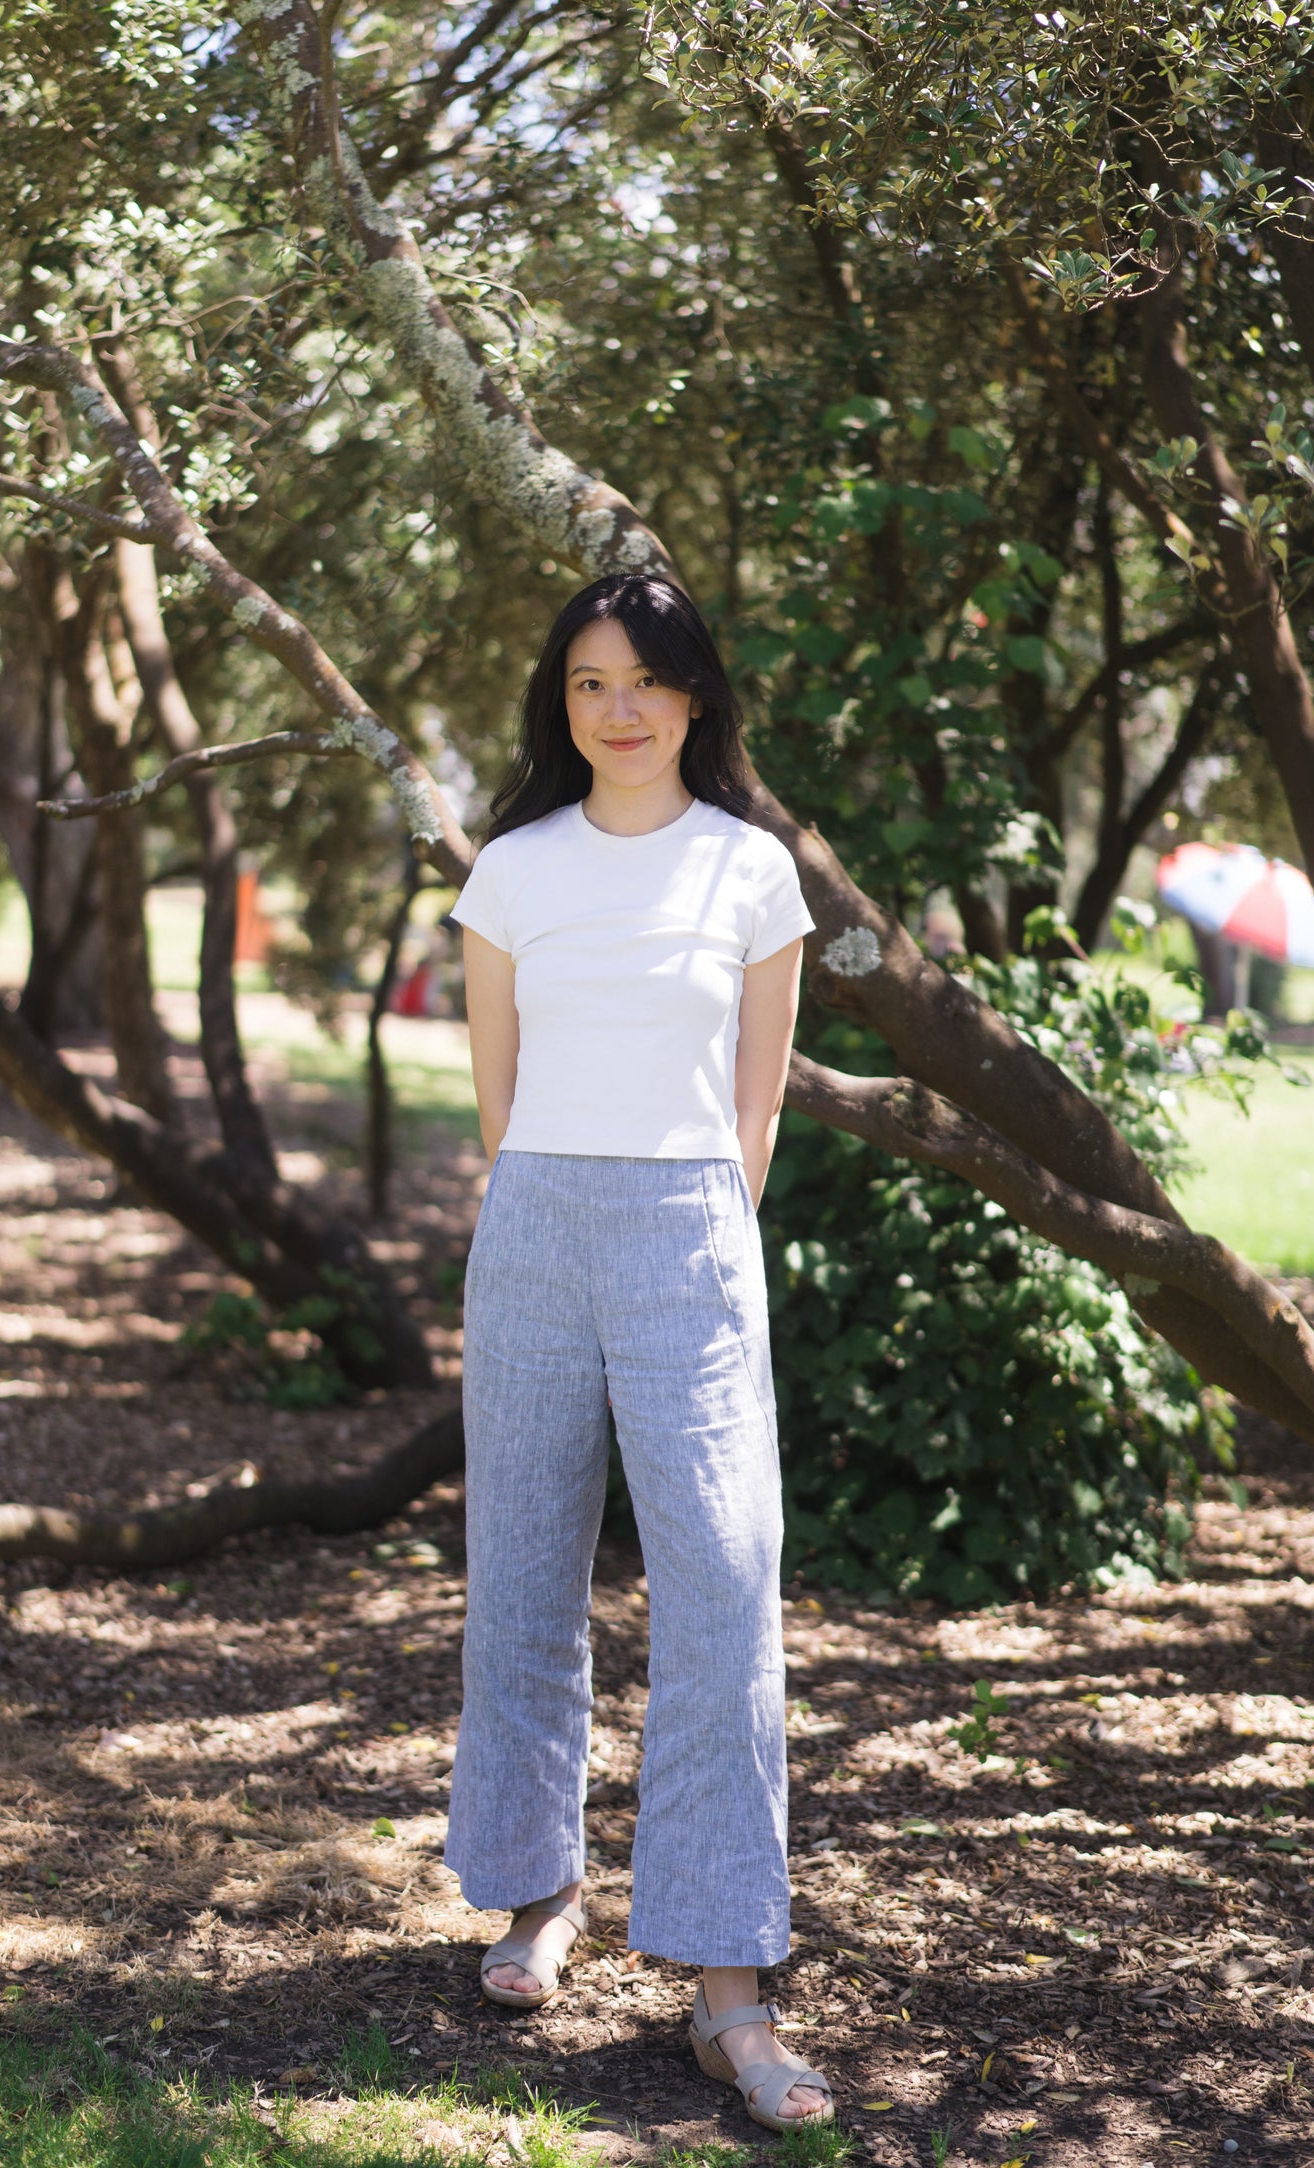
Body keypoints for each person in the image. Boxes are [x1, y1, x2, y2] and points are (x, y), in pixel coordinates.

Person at [444, 572, 834, 2132]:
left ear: (693, 697)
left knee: (725, 1590)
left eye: (646, 679)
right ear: (564, 702)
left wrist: (700, 1235)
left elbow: (759, 1108)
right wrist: (563, 1196)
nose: (617, 707)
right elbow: (495, 1097)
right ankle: (533, 1895)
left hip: (690, 1239)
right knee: (523, 1571)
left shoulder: (750, 871)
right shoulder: (510, 871)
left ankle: (724, 1982)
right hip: (536, 1228)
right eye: (589, 681)